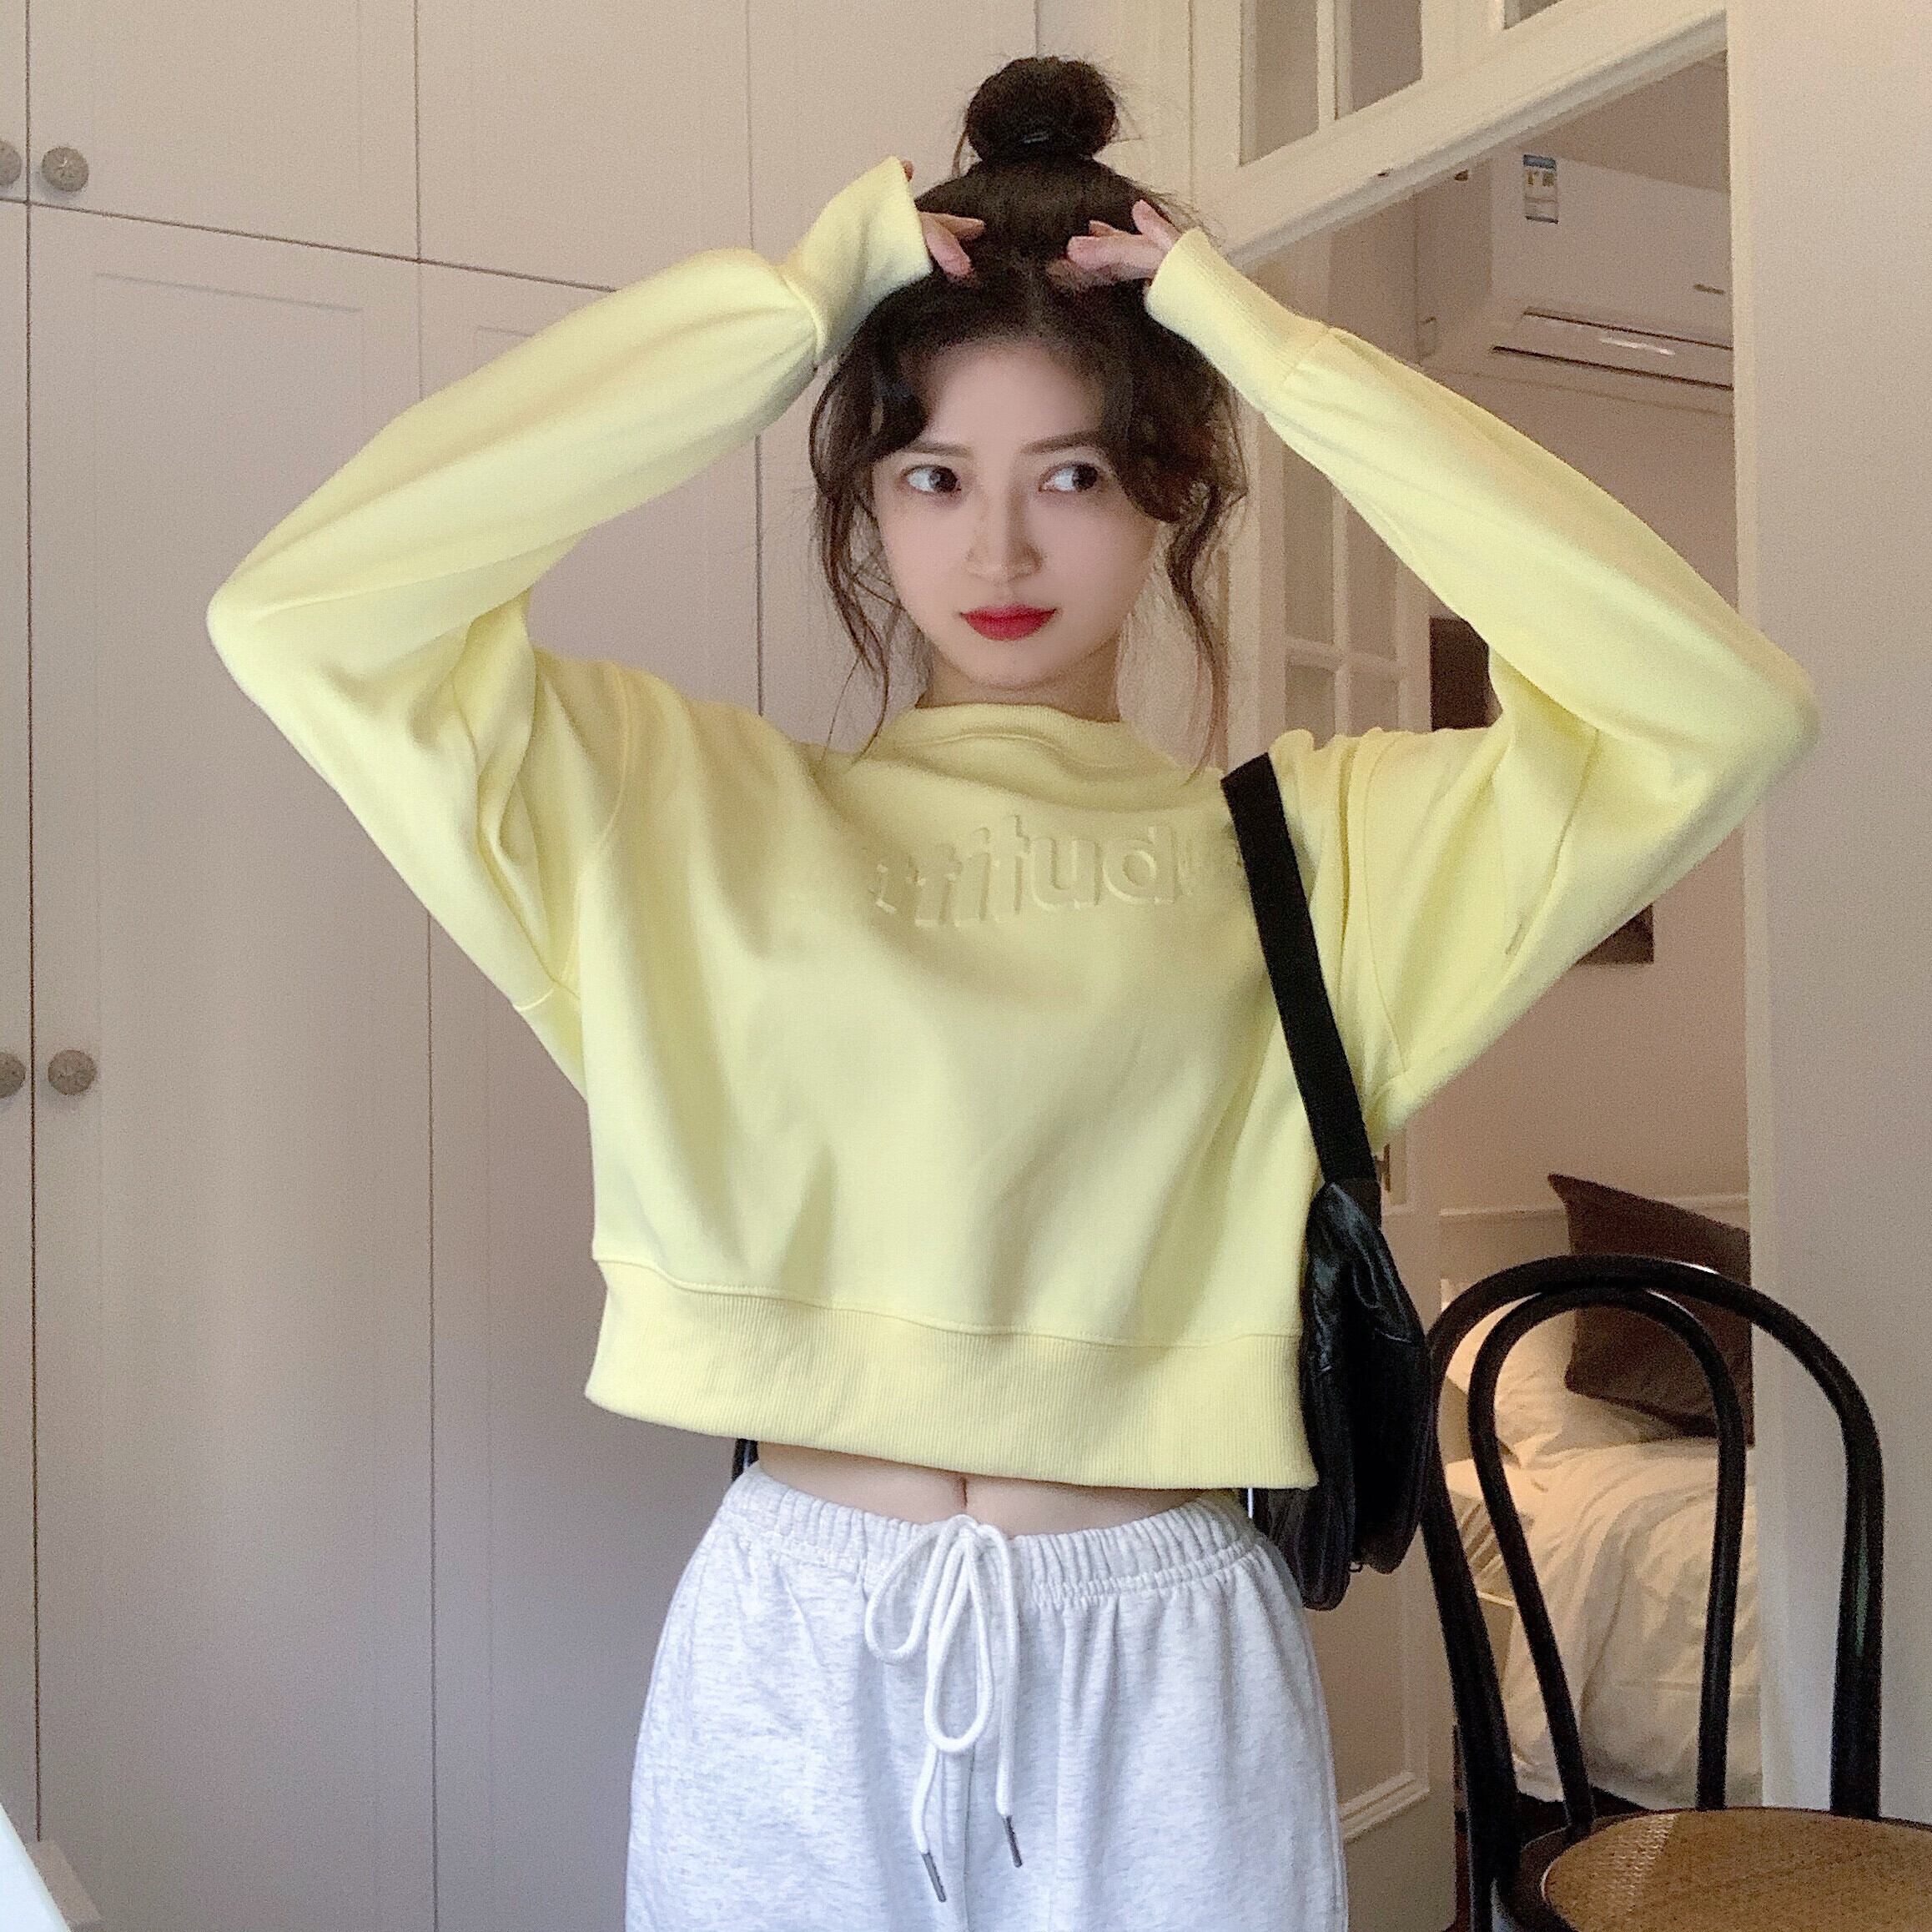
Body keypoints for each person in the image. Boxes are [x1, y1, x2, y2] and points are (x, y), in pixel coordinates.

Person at [204, 51, 1822, 1932]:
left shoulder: (1314, 859)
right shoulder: (682, 820)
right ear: (868, 504)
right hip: (799, 1646)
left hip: (1164, 1663)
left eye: (1072, 475)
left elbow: (1719, 711)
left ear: (1169, 498)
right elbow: (303, 617)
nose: (996, 549)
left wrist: (1264, 350)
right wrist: (788, 308)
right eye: (933, 476)